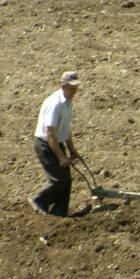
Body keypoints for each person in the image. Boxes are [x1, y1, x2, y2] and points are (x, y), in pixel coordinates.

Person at [28, 71, 85, 217]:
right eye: (71, 88)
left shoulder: (68, 102)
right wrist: (61, 157)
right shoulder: (55, 104)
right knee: (58, 179)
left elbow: (65, 128)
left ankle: (59, 214)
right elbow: (50, 133)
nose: (74, 91)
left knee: (66, 181)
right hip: (45, 144)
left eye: (76, 88)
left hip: (56, 143)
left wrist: (72, 150)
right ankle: (38, 201)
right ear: (63, 86)